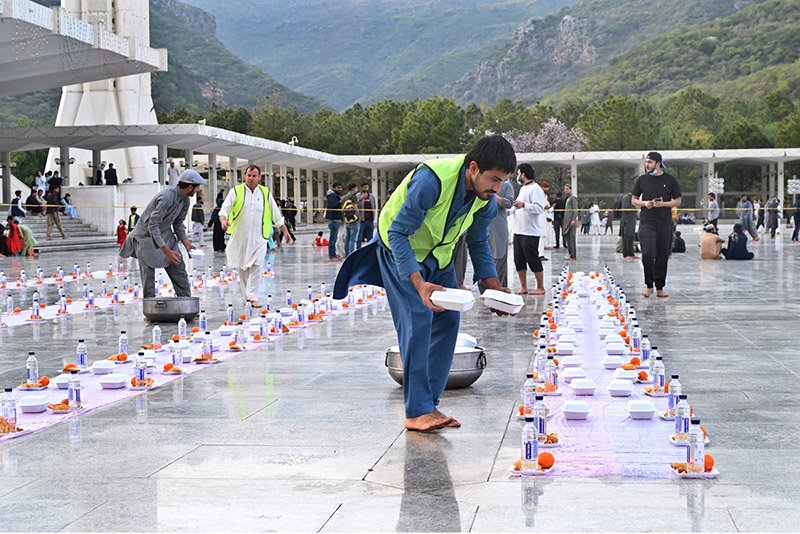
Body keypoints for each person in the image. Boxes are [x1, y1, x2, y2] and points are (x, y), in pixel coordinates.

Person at [333, 135, 516, 431]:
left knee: (448, 320)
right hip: (400, 252)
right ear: (473, 168)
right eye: (494, 180)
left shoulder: (485, 201)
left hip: (438, 258)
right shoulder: (432, 181)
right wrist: (419, 284)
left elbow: (478, 241)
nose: (497, 189)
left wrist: (493, 287)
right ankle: (416, 411)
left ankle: (428, 405)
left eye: (502, 182)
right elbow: (397, 233)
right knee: (418, 319)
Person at [119, 170, 205, 299]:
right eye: (197, 186)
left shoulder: (185, 201)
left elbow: (178, 223)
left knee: (179, 267)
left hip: (165, 234)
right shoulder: (167, 197)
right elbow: (152, 225)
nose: (198, 190)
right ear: (190, 186)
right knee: (148, 275)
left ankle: (185, 302)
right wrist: (166, 251)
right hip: (145, 237)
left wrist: (185, 241)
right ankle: (150, 310)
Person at [219, 165, 292, 308]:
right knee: (243, 268)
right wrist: (223, 220)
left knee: (257, 265)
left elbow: (275, 214)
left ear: (259, 177)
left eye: (254, 176)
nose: (251, 178)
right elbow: (225, 209)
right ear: (245, 176)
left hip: (259, 238)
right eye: (249, 175)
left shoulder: (265, 193)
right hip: (240, 238)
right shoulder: (236, 191)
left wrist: (285, 231)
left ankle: (253, 297)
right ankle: (247, 296)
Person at [631, 151, 682, 298]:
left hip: (665, 223)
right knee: (647, 253)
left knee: (662, 255)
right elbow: (634, 200)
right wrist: (644, 203)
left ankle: (659, 287)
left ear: (658, 164)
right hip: (647, 222)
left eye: (649, 162)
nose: (647, 165)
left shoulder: (670, 180)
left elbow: (678, 201)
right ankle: (649, 285)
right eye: (646, 162)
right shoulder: (642, 180)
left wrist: (663, 204)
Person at [512, 163, 546, 295]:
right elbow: (517, 205)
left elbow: (539, 208)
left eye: (518, 173)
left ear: (523, 174)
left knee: (533, 259)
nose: (518, 176)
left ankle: (540, 287)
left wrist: (524, 205)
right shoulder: (523, 189)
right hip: (519, 230)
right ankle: (524, 286)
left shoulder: (535, 189)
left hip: (530, 232)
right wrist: (511, 210)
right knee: (518, 260)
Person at [478, 178, 514, 292]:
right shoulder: (482, 183)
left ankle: (500, 287)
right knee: (483, 256)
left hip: (499, 225)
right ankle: (484, 289)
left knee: (499, 257)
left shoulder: (507, 187)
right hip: (483, 224)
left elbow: (509, 203)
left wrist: (494, 196)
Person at [325, 182, 343, 261]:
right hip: (333, 220)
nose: (340, 189)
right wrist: (340, 202)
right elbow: (332, 206)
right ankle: (331, 256)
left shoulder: (334, 196)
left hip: (336, 219)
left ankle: (334, 255)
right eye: (338, 188)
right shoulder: (332, 196)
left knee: (334, 239)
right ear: (334, 188)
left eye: (340, 188)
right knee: (332, 239)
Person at [342, 182, 361, 256]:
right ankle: (351, 254)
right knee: (353, 238)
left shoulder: (344, 197)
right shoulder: (354, 197)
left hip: (347, 219)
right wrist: (359, 217)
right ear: (354, 189)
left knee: (347, 238)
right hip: (354, 219)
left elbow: (342, 208)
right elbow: (355, 207)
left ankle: (347, 254)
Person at [618, 192, 637, 259]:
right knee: (627, 237)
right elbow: (625, 208)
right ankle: (626, 254)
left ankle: (631, 253)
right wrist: (635, 207)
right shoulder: (627, 197)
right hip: (627, 221)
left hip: (632, 220)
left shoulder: (632, 198)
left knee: (631, 237)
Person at [562, 184, 578, 260]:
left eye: (567, 189)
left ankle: (573, 255)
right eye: (565, 189)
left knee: (572, 238)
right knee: (568, 238)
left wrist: (573, 219)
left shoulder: (573, 198)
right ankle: (571, 254)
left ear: (570, 189)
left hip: (571, 222)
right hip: (567, 222)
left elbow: (575, 209)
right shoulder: (568, 198)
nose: (566, 190)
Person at [358, 181, 376, 247]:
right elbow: (356, 205)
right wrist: (361, 199)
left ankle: (369, 250)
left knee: (370, 237)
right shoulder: (358, 196)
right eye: (364, 187)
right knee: (359, 237)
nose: (366, 189)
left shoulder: (371, 196)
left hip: (370, 220)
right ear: (361, 188)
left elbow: (374, 206)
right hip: (362, 220)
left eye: (367, 187)